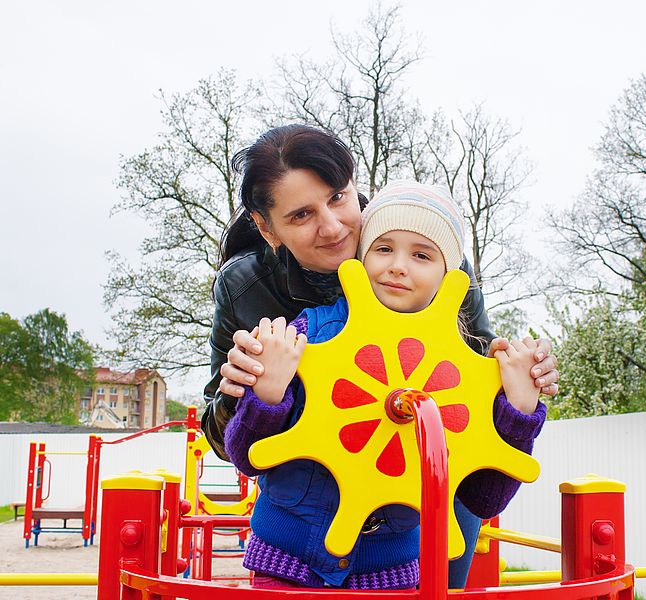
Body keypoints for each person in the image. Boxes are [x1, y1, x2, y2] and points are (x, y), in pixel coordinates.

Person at [201, 124, 559, 587]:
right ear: (267, 227)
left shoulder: (433, 258)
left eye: (337, 198)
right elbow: (229, 439)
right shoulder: (247, 287)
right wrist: (247, 387)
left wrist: (516, 388)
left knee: (444, 569)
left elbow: (472, 376)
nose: (331, 227)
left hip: (407, 503)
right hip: (304, 511)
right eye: (301, 215)